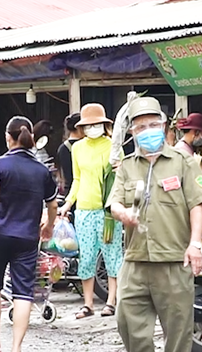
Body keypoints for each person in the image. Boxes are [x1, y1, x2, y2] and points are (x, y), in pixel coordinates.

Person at [108, 96, 202, 352]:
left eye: (153, 124)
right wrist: (122, 214)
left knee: (178, 332)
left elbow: (196, 206)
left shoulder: (184, 162)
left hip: (174, 261)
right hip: (135, 262)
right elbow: (115, 203)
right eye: (141, 127)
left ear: (164, 126)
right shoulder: (126, 167)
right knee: (128, 324)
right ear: (132, 132)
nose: (147, 131)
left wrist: (195, 245)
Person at [0, 116, 58, 352]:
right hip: (27, 238)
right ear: (31, 138)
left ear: (8, 137)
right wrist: (49, 226)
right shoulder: (41, 170)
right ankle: (16, 348)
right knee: (23, 292)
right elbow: (52, 205)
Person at [58, 104, 123, 319]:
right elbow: (76, 180)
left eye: (96, 124)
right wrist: (68, 204)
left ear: (104, 125)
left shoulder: (114, 146)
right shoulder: (77, 148)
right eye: (88, 125)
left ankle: (111, 302)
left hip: (107, 212)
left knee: (111, 255)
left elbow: (120, 179)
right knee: (86, 258)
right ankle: (88, 304)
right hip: (84, 210)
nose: (92, 128)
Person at [56, 113, 82, 197]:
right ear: (78, 127)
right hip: (82, 192)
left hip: (69, 192)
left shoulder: (62, 148)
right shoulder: (83, 146)